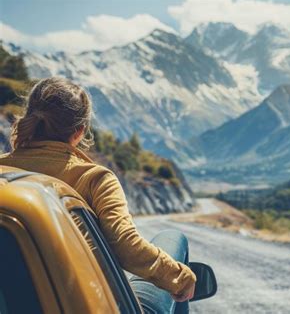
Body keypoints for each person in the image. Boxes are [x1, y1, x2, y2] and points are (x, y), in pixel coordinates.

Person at [0, 77, 196, 313]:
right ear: (80, 131)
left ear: (31, 117)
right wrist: (180, 278)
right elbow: (126, 246)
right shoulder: (95, 179)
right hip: (88, 303)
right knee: (174, 237)